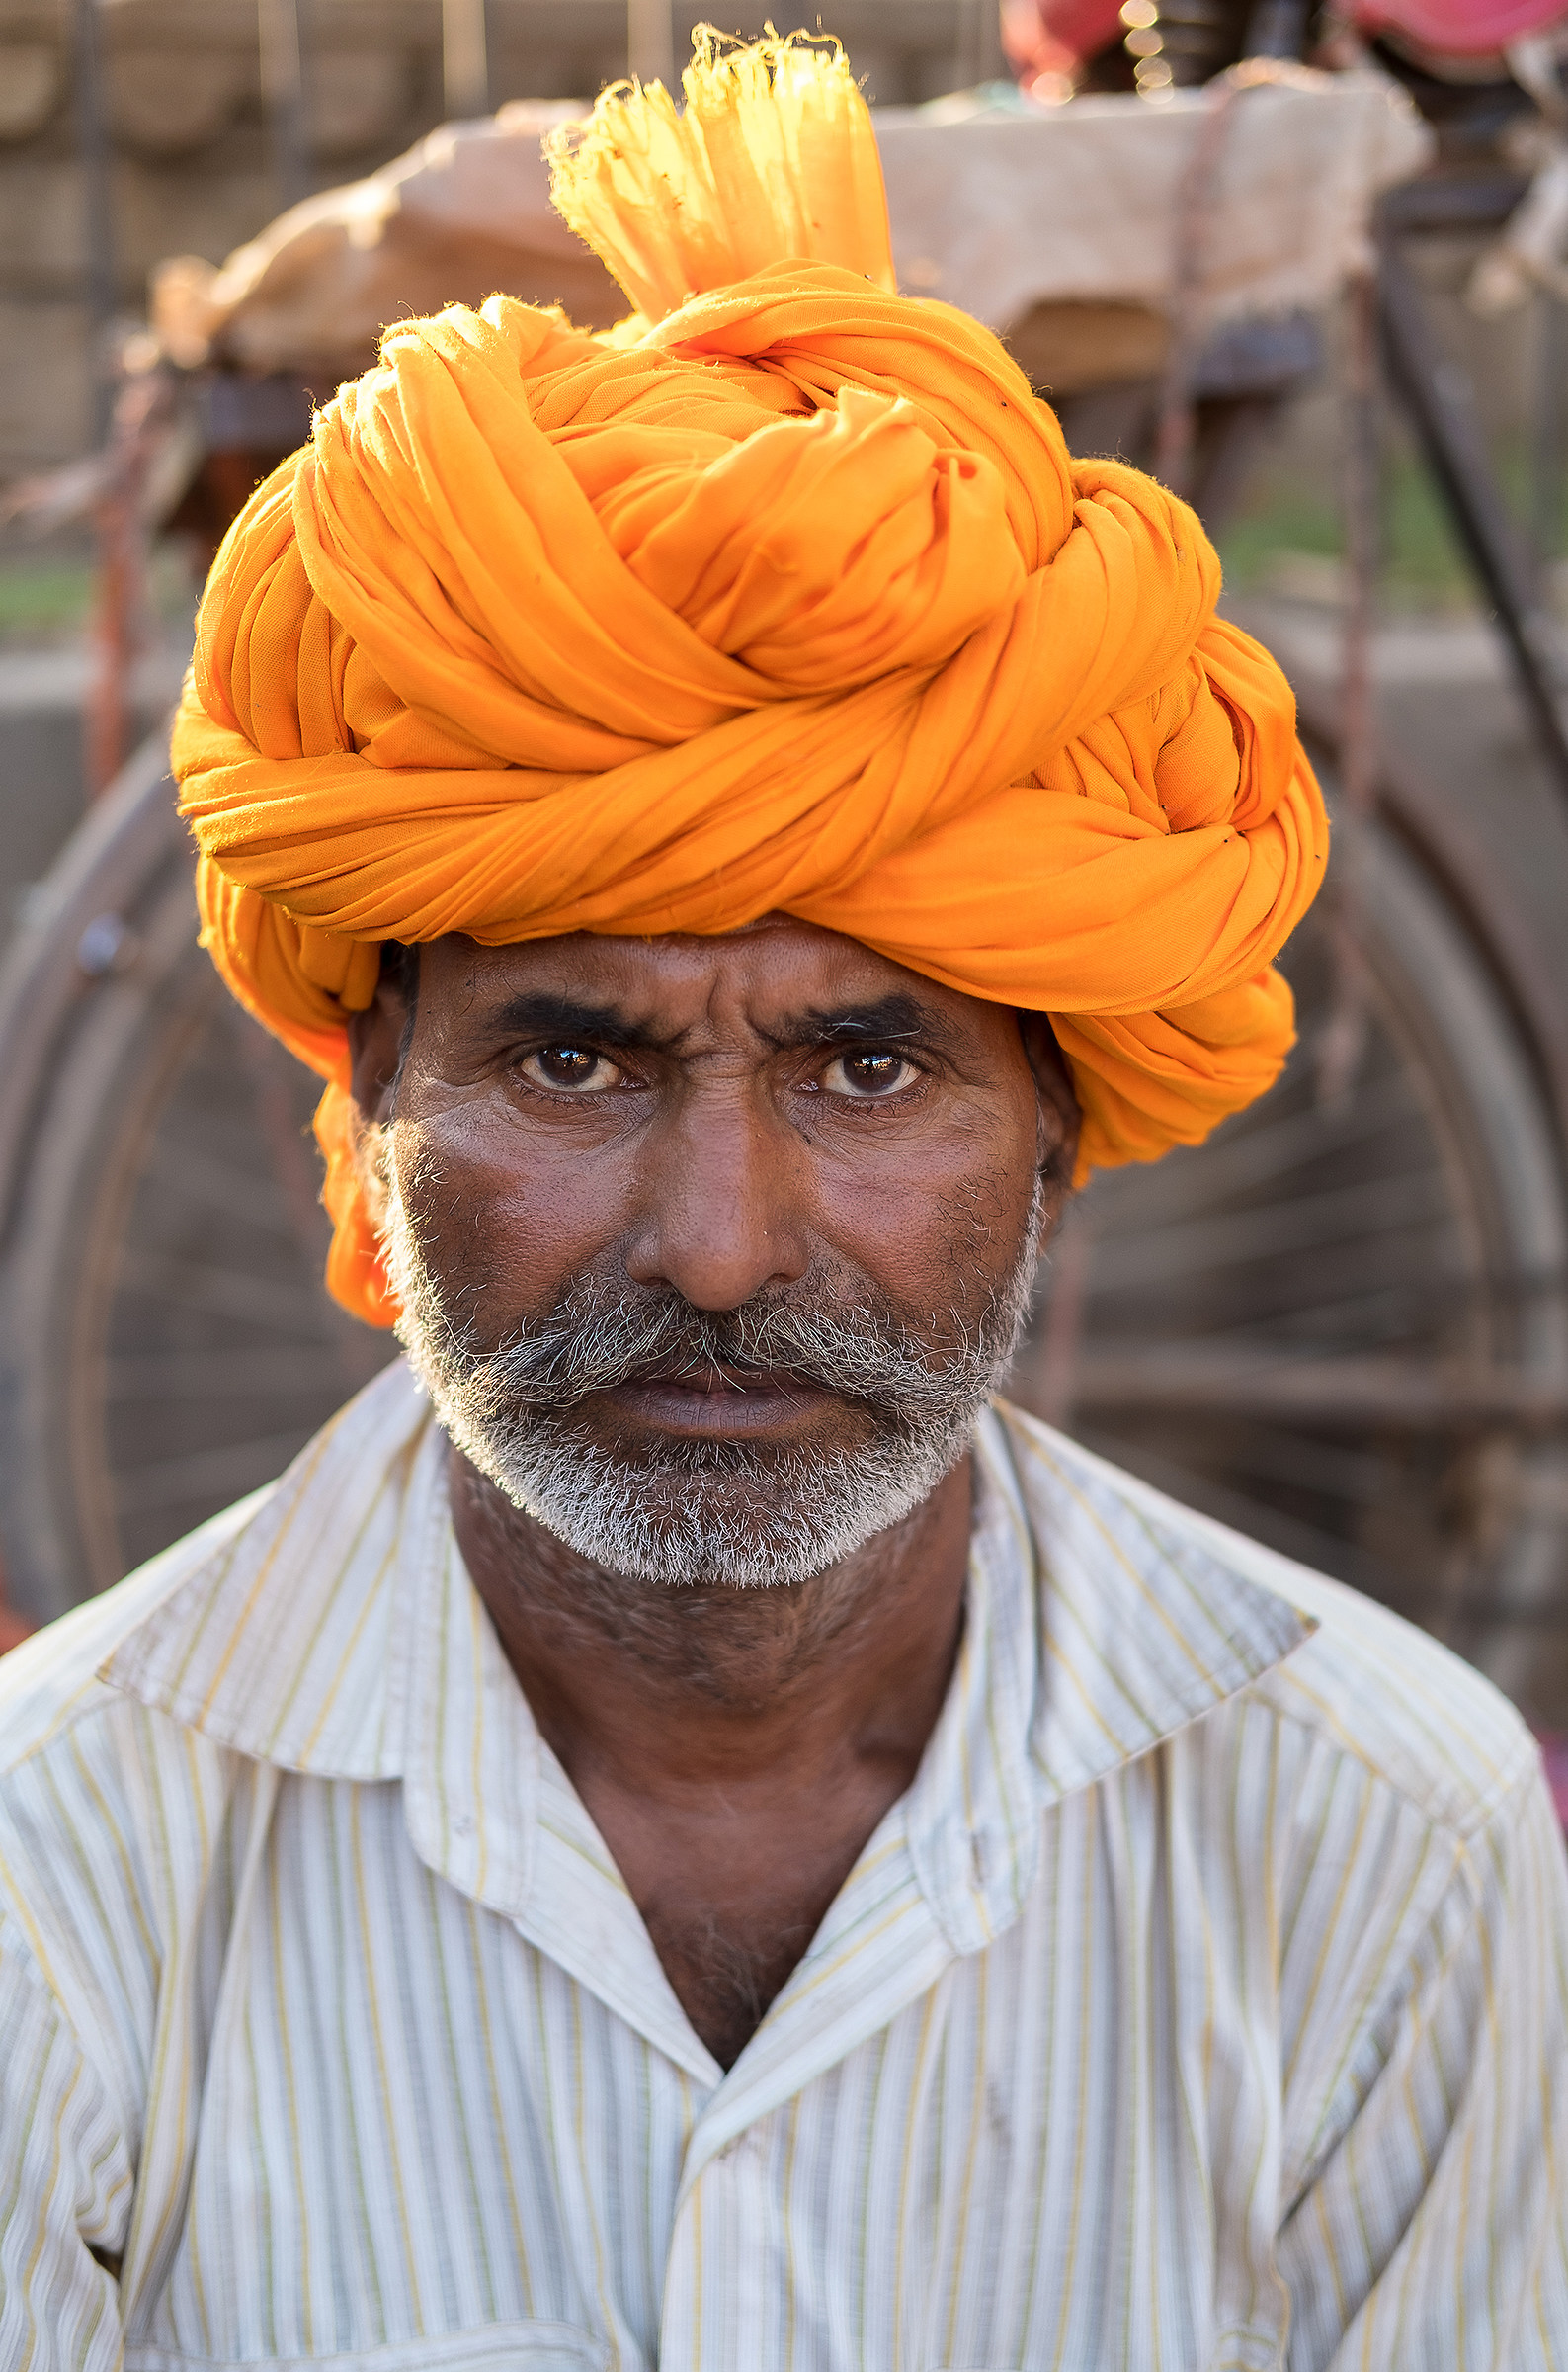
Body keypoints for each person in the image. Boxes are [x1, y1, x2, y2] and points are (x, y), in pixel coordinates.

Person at [1, 33, 1564, 2370]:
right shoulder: (57, 1883)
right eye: (570, 1059)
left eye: (864, 1067)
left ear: (1054, 1114)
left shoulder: (1378, 1847)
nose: (718, 1247)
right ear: (369, 1072)